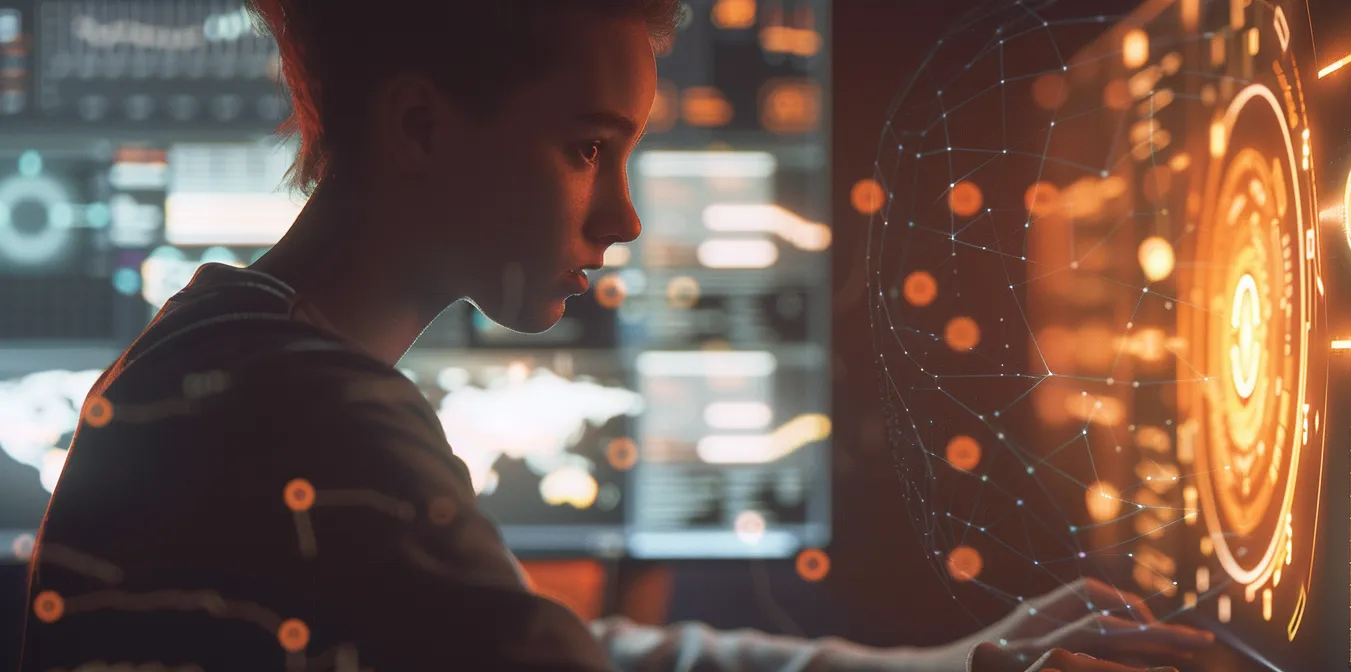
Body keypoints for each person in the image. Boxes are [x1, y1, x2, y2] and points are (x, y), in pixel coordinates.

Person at [16, 1, 1216, 670]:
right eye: (587, 147)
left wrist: (953, 669)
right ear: (422, 125)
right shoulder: (314, 419)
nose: (626, 214)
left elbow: (582, 651)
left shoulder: (227, 357)